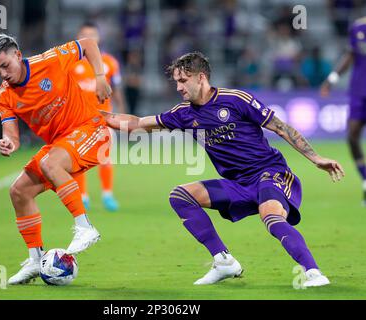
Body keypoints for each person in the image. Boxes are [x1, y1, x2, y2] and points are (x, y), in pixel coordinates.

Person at [102, 52, 345, 287]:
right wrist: (96, 115)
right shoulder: (183, 113)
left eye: (183, 80)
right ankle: (223, 261)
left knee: (270, 214)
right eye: (176, 81)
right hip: (238, 184)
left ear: (201, 78)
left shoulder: (236, 99)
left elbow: (280, 127)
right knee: (181, 196)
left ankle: (313, 272)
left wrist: (316, 158)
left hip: (269, 174)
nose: (178, 87)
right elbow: (136, 124)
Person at [0, 33, 112, 285]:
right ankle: (34, 258)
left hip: (91, 130)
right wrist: (8, 143)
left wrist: (99, 77)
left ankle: (85, 227)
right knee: (19, 191)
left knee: (49, 163)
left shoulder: (49, 60)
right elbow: (13, 136)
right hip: (61, 144)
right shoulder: (4, 96)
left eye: (5, 65)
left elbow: (88, 44)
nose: (3, 74)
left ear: (18, 55)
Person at [71, 22, 126, 212]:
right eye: (84, 35)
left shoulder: (109, 62)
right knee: (77, 159)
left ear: (98, 38)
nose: (89, 38)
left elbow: (116, 88)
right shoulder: (71, 63)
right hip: (77, 119)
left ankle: (107, 194)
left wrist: (122, 110)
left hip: (104, 118)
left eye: (92, 35)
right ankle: (82, 196)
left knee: (105, 157)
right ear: (78, 38)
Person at [320, 16, 366, 204]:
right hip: (359, 91)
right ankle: (365, 179)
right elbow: (350, 55)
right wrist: (332, 79)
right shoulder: (358, 27)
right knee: (352, 135)